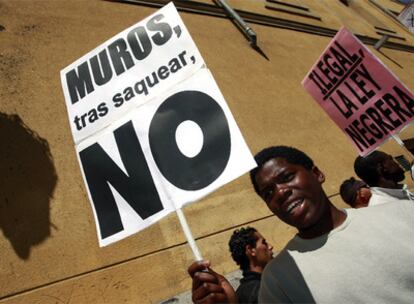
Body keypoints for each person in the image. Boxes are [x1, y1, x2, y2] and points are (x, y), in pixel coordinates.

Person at [188, 145, 414, 303]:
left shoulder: (403, 213)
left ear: (317, 174)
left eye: (286, 177)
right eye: (268, 192)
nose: (280, 192)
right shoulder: (277, 280)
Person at [228, 227, 273, 304]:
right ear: (251, 250)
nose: (270, 246)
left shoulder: (241, 292)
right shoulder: (262, 291)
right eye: (264, 242)